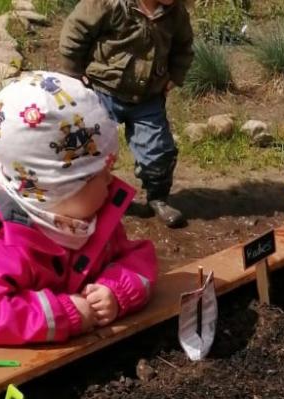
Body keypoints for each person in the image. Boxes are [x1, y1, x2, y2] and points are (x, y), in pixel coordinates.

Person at [0, 72, 158, 355]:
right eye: (97, 175)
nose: (110, 181)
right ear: (56, 189)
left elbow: (138, 257)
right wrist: (64, 314)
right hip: (7, 380)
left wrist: (117, 291)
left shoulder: (90, 218)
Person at [59, 0, 194, 228]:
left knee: (158, 150)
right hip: (102, 90)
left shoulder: (175, 14)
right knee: (90, 148)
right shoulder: (108, 4)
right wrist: (75, 73)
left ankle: (157, 198)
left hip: (148, 97)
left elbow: (183, 46)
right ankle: (83, 198)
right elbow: (75, 32)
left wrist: (175, 76)